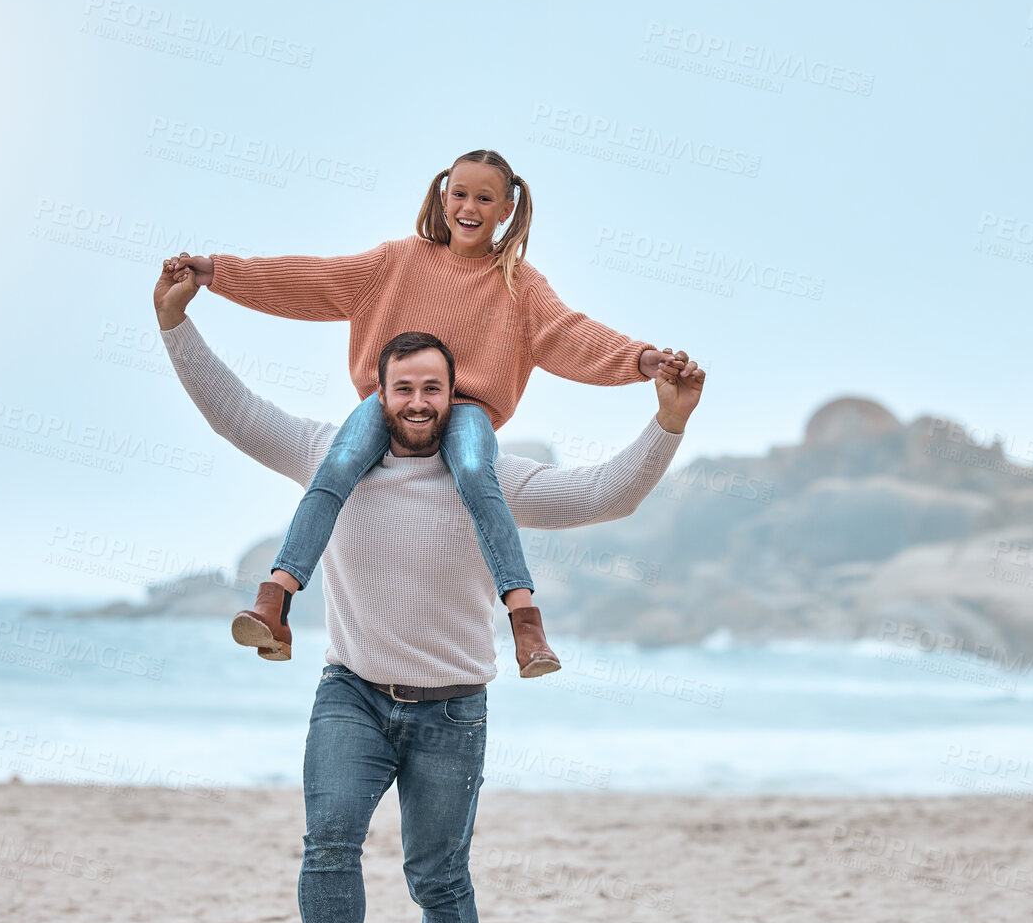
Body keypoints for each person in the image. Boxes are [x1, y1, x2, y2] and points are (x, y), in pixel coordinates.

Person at [152, 260, 705, 923]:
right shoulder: (325, 454)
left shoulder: (490, 477)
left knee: (438, 879)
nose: (417, 403)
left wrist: (667, 421)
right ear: (379, 394)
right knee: (329, 845)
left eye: (432, 391)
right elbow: (233, 412)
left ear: (456, 398)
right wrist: (175, 322)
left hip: (452, 709)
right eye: (402, 389)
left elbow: (600, 496)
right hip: (352, 694)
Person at [164, 148, 695, 679]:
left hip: (468, 414)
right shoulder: (395, 263)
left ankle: (525, 621)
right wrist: (217, 274)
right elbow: (311, 280)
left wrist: (641, 361)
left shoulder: (519, 285)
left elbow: (570, 335)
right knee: (337, 465)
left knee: (472, 472)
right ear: (443, 197)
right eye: (460, 194)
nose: (470, 207)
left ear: (507, 208)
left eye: (485, 198)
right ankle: (275, 599)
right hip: (381, 403)